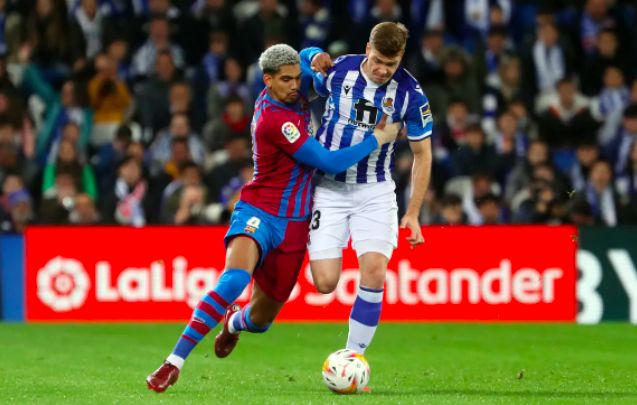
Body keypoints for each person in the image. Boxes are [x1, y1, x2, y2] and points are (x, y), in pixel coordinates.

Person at [146, 44, 399, 393]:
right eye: (287, 80)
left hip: (296, 224)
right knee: (234, 280)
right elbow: (327, 163)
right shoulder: (273, 119)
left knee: (261, 321)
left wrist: (315, 55)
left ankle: (234, 324)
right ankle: (173, 362)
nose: (297, 85)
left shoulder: (293, 83)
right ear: (267, 80)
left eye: (298, 78)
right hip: (260, 211)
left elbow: (308, 59)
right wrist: (377, 139)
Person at [299, 22, 433, 356]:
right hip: (328, 189)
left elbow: (422, 154)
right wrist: (314, 55)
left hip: (374, 190)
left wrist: (413, 212)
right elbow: (303, 65)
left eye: (392, 64)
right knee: (325, 282)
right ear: (367, 48)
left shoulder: (411, 96)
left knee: (374, 271)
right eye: (378, 61)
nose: (383, 69)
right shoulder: (340, 70)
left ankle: (352, 357)